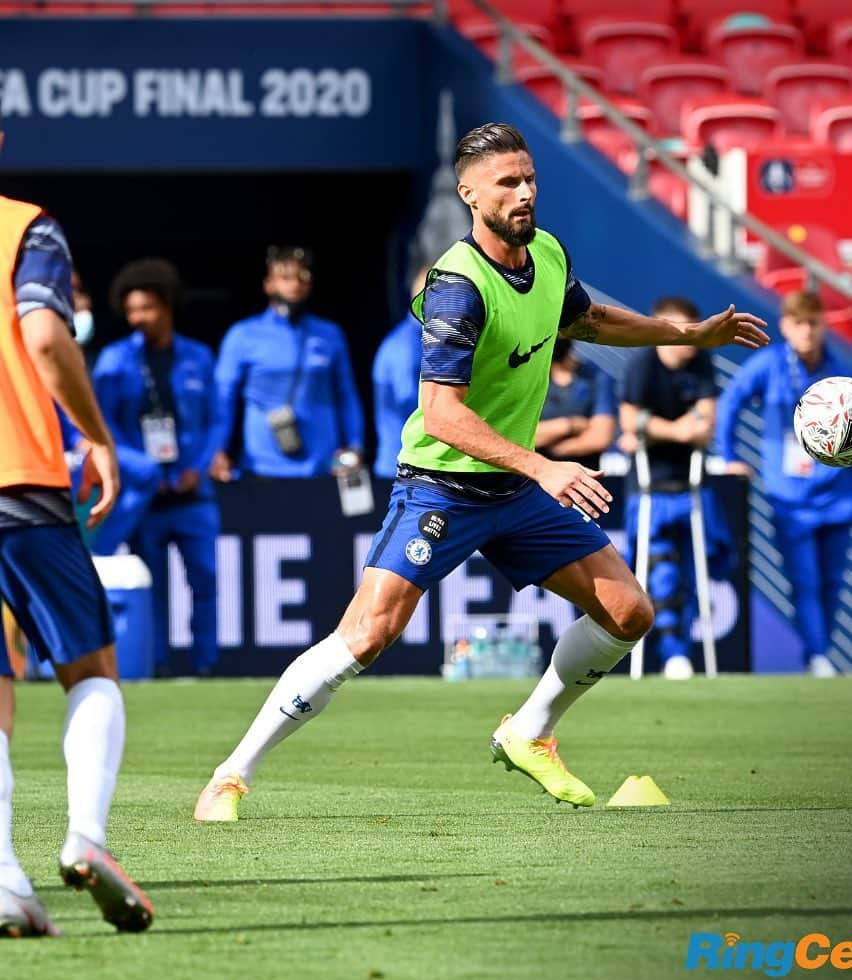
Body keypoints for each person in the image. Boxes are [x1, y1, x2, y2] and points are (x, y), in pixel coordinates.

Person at [193, 122, 767, 823]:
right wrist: (543, 466)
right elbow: (441, 415)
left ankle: (530, 731)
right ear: (469, 193)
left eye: (530, 179)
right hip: (442, 485)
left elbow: (588, 320)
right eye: (508, 183)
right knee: (367, 635)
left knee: (628, 612)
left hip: (516, 489)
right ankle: (230, 775)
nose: (525, 193)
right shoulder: (457, 288)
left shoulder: (547, 254)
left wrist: (684, 333)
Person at [0, 150, 152, 934]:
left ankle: (2, 880)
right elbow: (48, 339)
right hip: (20, 481)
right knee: (91, 670)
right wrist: (96, 437)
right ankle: (87, 839)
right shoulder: (26, 228)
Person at [716, 290, 852, 677]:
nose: (808, 331)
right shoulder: (769, 364)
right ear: (785, 326)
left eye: (814, 322)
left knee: (832, 581)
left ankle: (819, 653)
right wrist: (728, 457)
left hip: (839, 493)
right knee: (806, 580)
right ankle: (818, 655)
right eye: (799, 323)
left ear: (824, 324)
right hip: (790, 497)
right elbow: (730, 402)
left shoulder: (841, 370)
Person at [92, 259, 219, 678]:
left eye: (146, 308)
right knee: (153, 584)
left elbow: (217, 420)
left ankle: (206, 664)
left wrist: (198, 468)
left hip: (192, 495)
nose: (138, 318)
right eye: (131, 310)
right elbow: (103, 425)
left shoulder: (198, 357)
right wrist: (140, 466)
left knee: (204, 579)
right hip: (146, 495)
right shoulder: (114, 361)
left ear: (166, 307)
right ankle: (158, 663)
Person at [617, 296, 730, 680]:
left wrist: (652, 431)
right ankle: (672, 654)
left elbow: (706, 421)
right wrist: (678, 430)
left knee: (703, 569)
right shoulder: (642, 365)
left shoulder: (701, 362)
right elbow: (629, 420)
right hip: (649, 490)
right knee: (660, 573)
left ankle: (684, 646)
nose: (685, 340)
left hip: (694, 487)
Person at [211, 245, 365, 480]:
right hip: (262, 467)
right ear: (268, 284)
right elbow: (223, 397)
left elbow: (346, 394)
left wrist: (355, 445)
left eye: (301, 277)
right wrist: (216, 449)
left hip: (322, 467)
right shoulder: (243, 335)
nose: (294, 284)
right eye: (285, 277)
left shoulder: (329, 334)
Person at [372, 266, 432, 480]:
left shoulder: (429, 339)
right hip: (402, 469)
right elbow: (411, 406)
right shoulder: (405, 346)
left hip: (414, 466)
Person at [535, 338, 617, 470]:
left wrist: (555, 450)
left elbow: (600, 437)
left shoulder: (596, 376)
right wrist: (568, 425)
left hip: (582, 477)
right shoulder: (529, 378)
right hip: (533, 479)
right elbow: (514, 437)